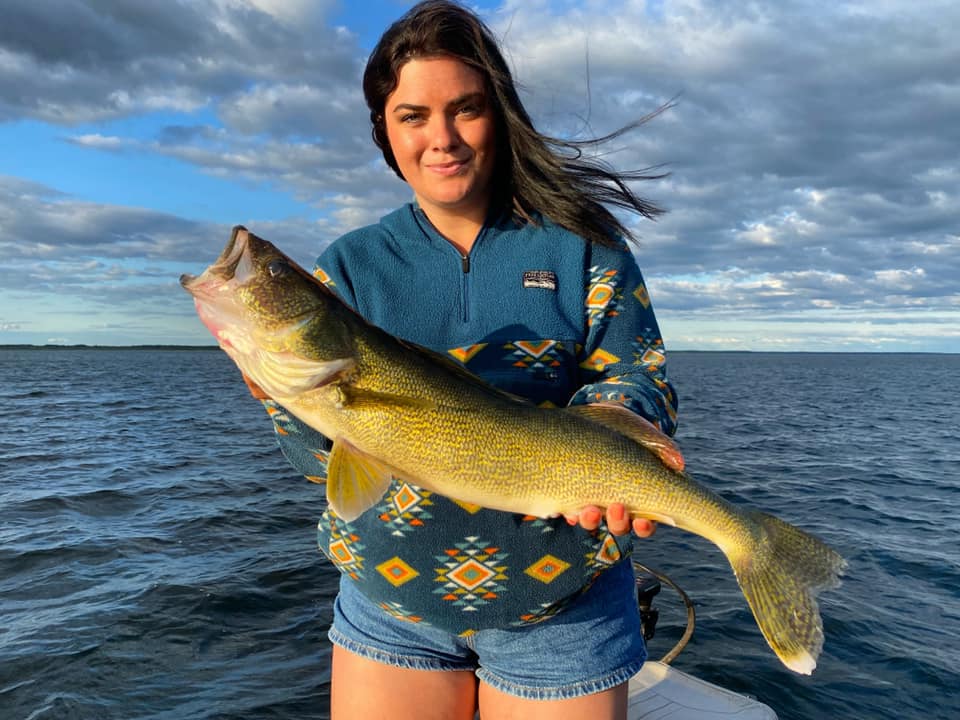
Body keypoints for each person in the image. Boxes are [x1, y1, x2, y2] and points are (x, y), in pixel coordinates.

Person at [249, 1, 678, 717]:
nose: (441, 138)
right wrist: (276, 391)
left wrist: (617, 448)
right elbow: (322, 466)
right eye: (413, 116)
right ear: (384, 130)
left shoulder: (585, 246)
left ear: (498, 115)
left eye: (466, 109)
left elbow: (637, 377)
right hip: (390, 609)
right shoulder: (349, 267)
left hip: (565, 610)